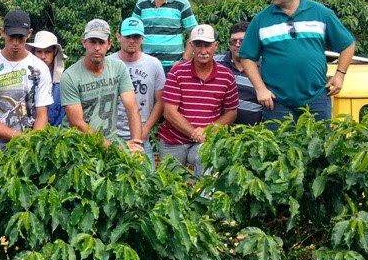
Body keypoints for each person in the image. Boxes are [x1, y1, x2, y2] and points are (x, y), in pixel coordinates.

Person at [239, 0, 356, 122]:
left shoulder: (321, 13)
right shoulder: (261, 19)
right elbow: (247, 56)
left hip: (317, 97)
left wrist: (340, 75)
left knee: (319, 139)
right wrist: (260, 89)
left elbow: (347, 44)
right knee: (279, 139)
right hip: (276, 101)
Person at [158, 25, 239, 173]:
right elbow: (169, 112)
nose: (203, 51)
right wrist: (194, 133)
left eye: (207, 45)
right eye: (198, 45)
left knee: (206, 170)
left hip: (206, 140)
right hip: (173, 140)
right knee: (169, 183)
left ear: (215, 46)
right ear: (191, 46)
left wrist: (208, 131)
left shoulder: (226, 76)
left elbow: (231, 112)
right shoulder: (177, 72)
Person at [0, 10, 52, 153]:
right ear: (2, 32)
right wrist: (21, 138)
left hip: (28, 152)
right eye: (11, 37)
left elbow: (42, 114)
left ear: (29, 33)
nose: (15, 43)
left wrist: (32, 144)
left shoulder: (40, 68)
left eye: (20, 37)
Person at [61, 19, 144, 154]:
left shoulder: (118, 68)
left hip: (110, 141)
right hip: (78, 147)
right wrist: (116, 149)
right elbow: (78, 124)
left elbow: (132, 108)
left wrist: (136, 145)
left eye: (101, 42)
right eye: (92, 42)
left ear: (109, 44)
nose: (97, 48)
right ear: (84, 42)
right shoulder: (70, 76)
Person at [108, 17, 165, 166]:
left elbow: (160, 101)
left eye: (136, 37)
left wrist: (146, 129)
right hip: (111, 137)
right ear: (118, 37)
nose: (132, 41)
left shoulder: (153, 64)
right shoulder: (107, 63)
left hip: (140, 137)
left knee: (148, 177)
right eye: (127, 36)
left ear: (142, 39)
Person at [131, 0, 197, 72]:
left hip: (173, 66)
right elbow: (134, 32)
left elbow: (194, 32)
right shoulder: (142, 3)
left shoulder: (182, 4)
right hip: (147, 65)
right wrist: (139, 58)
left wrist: (184, 61)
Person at [214, 21, 263, 125]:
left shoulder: (264, 66)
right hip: (218, 127)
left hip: (254, 130)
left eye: (242, 41)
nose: (237, 44)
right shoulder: (215, 62)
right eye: (234, 41)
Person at [27, 31, 66, 127]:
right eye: (39, 52)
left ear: (54, 53)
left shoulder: (64, 80)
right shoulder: (26, 77)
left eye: (47, 52)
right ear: (33, 52)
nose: (43, 57)